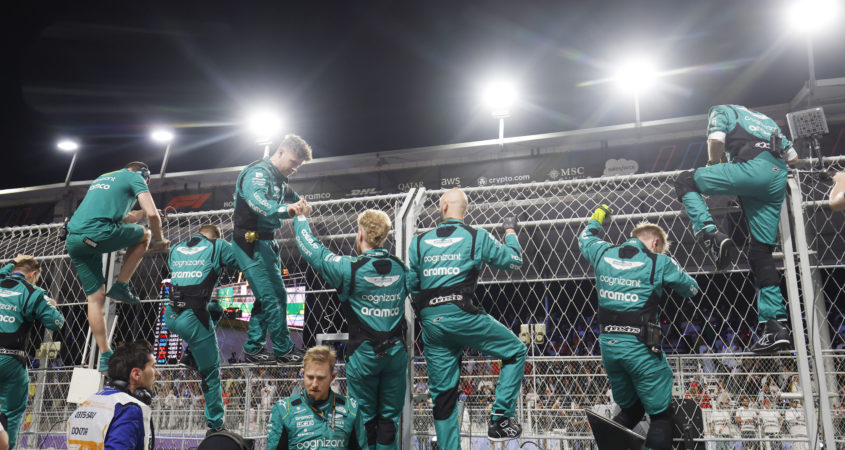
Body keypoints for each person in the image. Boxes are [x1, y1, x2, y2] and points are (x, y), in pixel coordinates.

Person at [673, 105, 798, 354]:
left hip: (749, 170)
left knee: (685, 180)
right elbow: (792, 157)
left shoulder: (722, 110)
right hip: (776, 178)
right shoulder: (768, 120)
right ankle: (775, 326)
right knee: (761, 252)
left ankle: (709, 233)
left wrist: (714, 164)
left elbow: (716, 140)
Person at [407, 188, 527, 447]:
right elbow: (514, 260)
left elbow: (412, 285)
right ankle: (500, 418)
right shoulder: (476, 236)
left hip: (431, 323)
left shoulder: (417, 242)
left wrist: (428, 313)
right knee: (516, 350)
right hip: (463, 314)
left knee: (443, 397)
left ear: (443, 207)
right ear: (465, 210)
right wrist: (510, 231)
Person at [578, 206, 699, 450]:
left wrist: (599, 214)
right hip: (641, 347)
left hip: (609, 348)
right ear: (655, 243)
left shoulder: (603, 251)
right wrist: (669, 266)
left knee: (631, 410)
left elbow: (584, 237)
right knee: (661, 415)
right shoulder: (659, 261)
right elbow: (691, 289)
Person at [293, 209, 408, 449]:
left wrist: (300, 219)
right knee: (389, 421)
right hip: (396, 352)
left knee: (364, 420)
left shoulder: (350, 267)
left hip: (364, 354)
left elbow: (314, 253)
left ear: (361, 234)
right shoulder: (401, 267)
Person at [65, 161, 170, 371]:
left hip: (75, 240)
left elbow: (126, 216)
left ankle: (105, 354)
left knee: (95, 298)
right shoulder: (136, 178)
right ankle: (121, 285)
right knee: (145, 235)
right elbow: (152, 215)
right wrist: (159, 239)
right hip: (96, 235)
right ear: (144, 175)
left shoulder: (104, 177)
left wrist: (140, 214)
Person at [233, 135, 313, 364]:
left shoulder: (279, 178)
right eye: (293, 162)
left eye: (299, 165)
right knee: (274, 296)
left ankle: (254, 348)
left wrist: (302, 204)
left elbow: (294, 198)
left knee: (265, 297)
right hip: (251, 243)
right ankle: (283, 350)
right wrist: (289, 210)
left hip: (267, 243)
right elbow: (257, 202)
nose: (295, 168)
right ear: (280, 152)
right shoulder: (258, 173)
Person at [165, 224, 239, 434]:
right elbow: (239, 261)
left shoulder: (175, 248)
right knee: (211, 373)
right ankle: (216, 424)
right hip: (193, 318)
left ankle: (190, 354)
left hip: (170, 315)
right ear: (215, 237)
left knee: (216, 309)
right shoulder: (218, 246)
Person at [0, 255, 65, 450]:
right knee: (11, 412)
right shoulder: (34, 292)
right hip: (11, 359)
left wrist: (13, 261)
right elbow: (56, 322)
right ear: (33, 274)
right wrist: (51, 305)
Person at [266, 345, 363, 449]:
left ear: (333, 377)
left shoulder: (351, 409)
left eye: (321, 378)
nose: (315, 384)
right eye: (310, 377)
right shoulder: (283, 409)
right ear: (303, 374)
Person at [67, 340, 157, 450]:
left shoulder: (86, 404)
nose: (157, 373)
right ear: (136, 374)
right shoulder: (129, 409)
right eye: (153, 366)